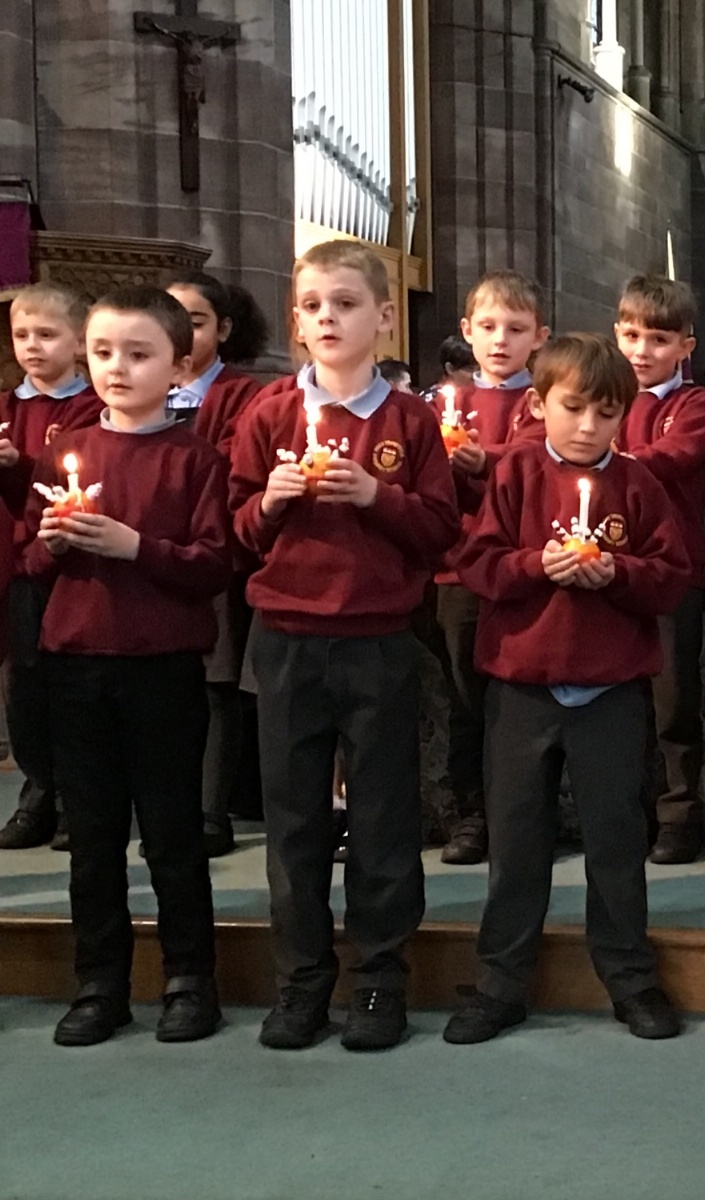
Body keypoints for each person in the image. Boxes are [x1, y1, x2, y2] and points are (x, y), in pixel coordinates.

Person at [230, 239, 458, 1052]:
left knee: (384, 816)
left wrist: (374, 495)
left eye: (346, 304)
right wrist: (270, 502)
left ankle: (379, 981)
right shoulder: (268, 414)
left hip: (376, 639)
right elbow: (237, 531)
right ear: (296, 322)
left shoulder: (408, 420)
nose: (327, 317)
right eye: (313, 306)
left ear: (384, 318)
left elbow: (439, 530)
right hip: (287, 637)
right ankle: (300, 984)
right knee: (294, 821)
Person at [445, 333, 692, 1044]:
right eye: (574, 408)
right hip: (523, 690)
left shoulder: (638, 486)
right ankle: (500, 983)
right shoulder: (515, 473)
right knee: (517, 843)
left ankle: (630, 976)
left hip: (611, 693)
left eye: (607, 413)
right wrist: (535, 566)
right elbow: (479, 563)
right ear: (539, 404)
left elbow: (671, 578)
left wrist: (618, 573)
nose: (588, 426)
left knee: (617, 842)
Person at [26, 286, 230, 1045]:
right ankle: (100, 984)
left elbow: (213, 565)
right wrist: (51, 542)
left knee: (172, 834)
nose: (117, 367)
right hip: (75, 663)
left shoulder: (196, 458)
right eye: (104, 352)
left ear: (178, 367)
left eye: (139, 354)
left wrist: (134, 546)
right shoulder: (67, 450)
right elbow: (27, 561)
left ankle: (189, 981)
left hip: (161, 667)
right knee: (92, 836)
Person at [422, 269, 550, 865]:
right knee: (464, 700)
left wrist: (484, 460)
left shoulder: (541, 401)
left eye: (516, 329)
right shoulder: (442, 404)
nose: (501, 340)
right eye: (489, 326)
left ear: (540, 336)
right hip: (456, 570)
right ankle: (471, 814)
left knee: (519, 700)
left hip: (519, 566)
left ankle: (520, 814)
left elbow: (537, 457)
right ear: (467, 331)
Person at [613, 274, 705, 865]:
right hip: (611, 571)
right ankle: (628, 814)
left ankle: (679, 816)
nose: (642, 350)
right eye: (632, 336)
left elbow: (675, 456)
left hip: (674, 572)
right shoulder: (606, 399)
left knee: (673, 702)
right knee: (621, 704)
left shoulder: (694, 404)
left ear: (685, 346)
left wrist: (610, 461)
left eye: (658, 339)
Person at [165, 269, 272, 856]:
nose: (182, 333)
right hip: (148, 556)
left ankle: (211, 812)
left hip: (216, 555)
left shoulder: (241, 394)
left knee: (216, 685)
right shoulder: (142, 383)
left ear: (223, 329)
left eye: (196, 321)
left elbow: (226, 468)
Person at [0, 283, 103, 851]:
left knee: (72, 688)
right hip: (18, 567)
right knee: (24, 689)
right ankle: (37, 792)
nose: (32, 346)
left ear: (79, 341)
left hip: (69, 565)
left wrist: (20, 465)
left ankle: (73, 801)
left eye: (47, 334)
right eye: (22, 335)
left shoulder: (88, 407)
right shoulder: (6, 406)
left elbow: (72, 479)